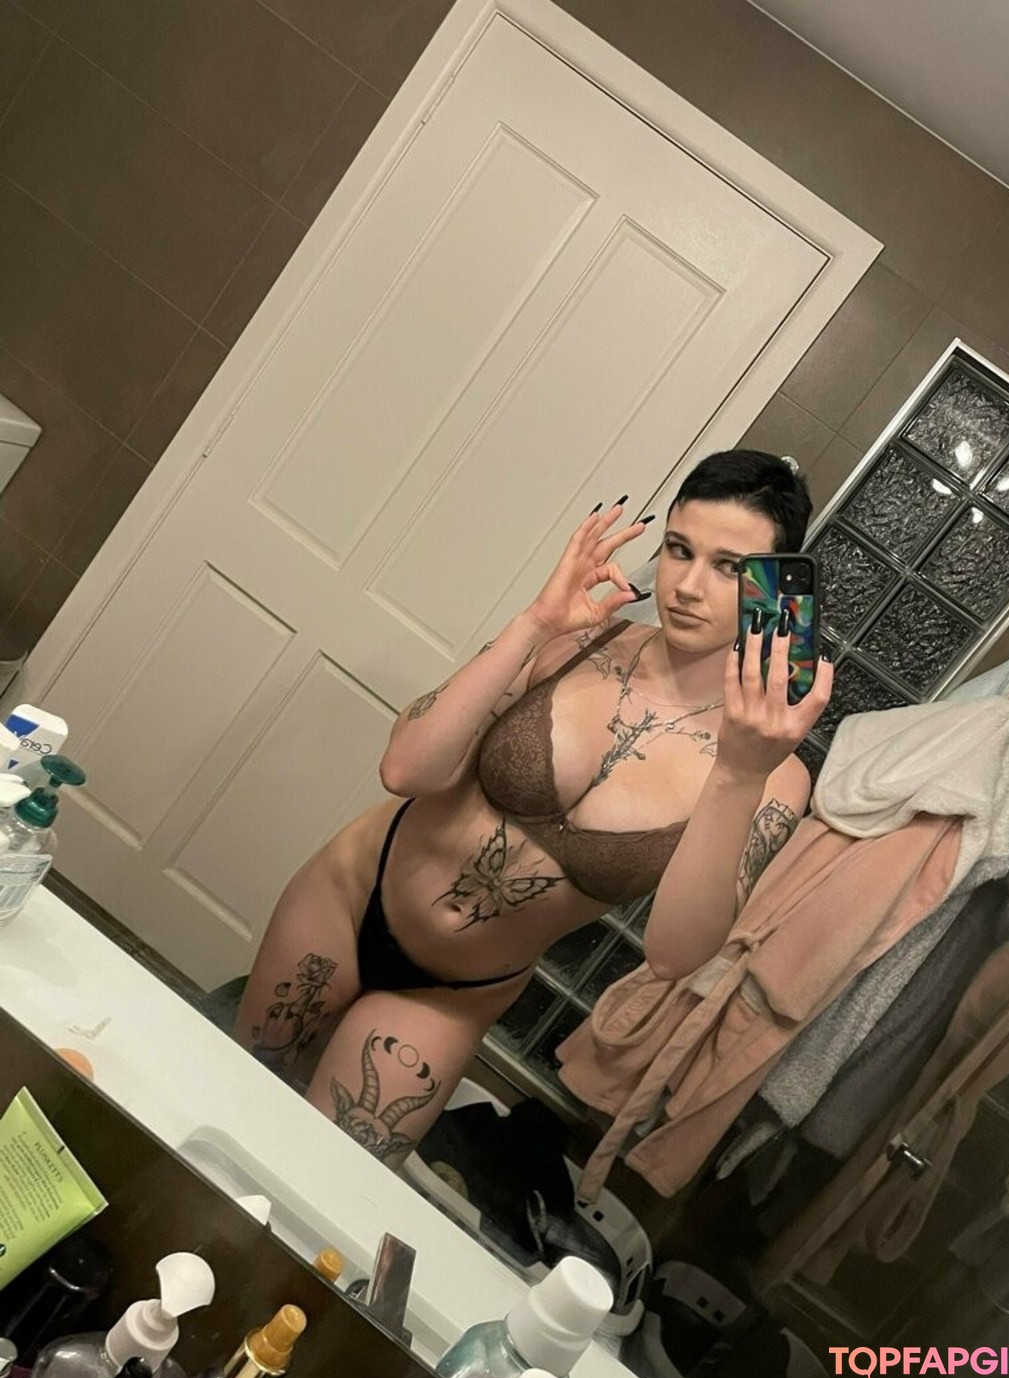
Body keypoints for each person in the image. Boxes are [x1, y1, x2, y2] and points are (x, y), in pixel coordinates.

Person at [235, 450, 833, 1167]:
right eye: (679, 549)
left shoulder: (771, 772)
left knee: (315, 1176)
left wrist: (736, 772)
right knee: (232, 1102)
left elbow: (675, 954)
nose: (688, 586)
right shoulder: (579, 641)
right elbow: (405, 768)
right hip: (345, 900)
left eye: (729, 567)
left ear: (776, 587)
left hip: (451, 994)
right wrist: (535, 623)